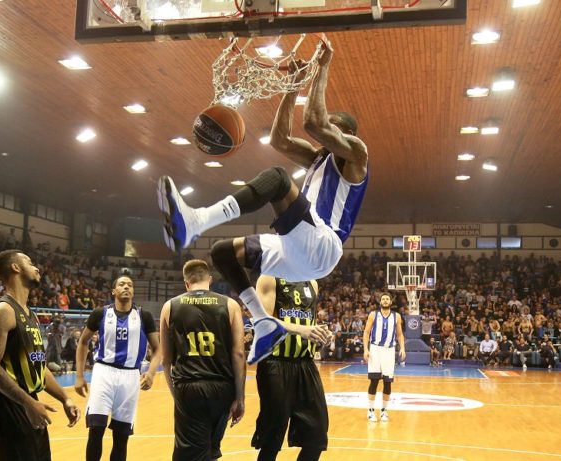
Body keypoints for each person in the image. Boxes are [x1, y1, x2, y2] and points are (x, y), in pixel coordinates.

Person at [157, 40, 368, 364]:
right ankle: (264, 322)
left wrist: (321, 67)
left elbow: (314, 122)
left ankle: (198, 220)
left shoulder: (357, 155)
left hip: (324, 244)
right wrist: (292, 87)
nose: (322, 137)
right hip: (298, 252)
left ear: (348, 134)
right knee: (223, 253)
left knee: (280, 179)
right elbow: (279, 139)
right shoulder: (318, 159)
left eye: (334, 129)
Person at [0, 250, 79, 461]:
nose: (36, 268)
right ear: (15, 267)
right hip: (8, 402)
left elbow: (38, 367)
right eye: (30, 262)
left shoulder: (30, 314)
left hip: (28, 399)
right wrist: (27, 403)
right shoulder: (3, 311)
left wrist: (65, 398)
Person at [159, 259, 246, 461]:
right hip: (222, 388)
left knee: (189, 455)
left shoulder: (169, 306)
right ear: (210, 279)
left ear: (186, 283)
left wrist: (176, 394)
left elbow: (166, 360)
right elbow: (239, 354)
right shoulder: (231, 305)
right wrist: (240, 397)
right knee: (211, 450)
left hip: (189, 387)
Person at [73, 275, 162, 461]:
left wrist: (151, 372)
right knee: (96, 429)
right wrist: (79, 376)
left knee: (121, 437)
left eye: (130, 285)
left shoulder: (144, 316)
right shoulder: (100, 313)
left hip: (131, 376)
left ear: (133, 291)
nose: (126, 287)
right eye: (122, 284)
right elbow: (83, 342)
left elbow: (158, 348)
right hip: (103, 372)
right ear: (113, 291)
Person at [252, 276, 329, 461]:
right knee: (273, 435)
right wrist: (300, 330)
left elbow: (307, 323)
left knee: (317, 434)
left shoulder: (312, 282)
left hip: (305, 364)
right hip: (275, 362)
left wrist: (320, 333)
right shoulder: (269, 278)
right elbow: (263, 321)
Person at [363, 293, 405, 422]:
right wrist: (366, 349)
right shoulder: (373, 315)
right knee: (374, 381)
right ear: (380, 302)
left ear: (391, 302)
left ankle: (384, 411)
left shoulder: (397, 316)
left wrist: (402, 348)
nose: (385, 301)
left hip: (389, 350)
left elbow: (399, 334)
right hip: (375, 349)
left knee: (387, 382)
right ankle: (370, 411)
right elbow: (366, 332)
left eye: (387, 299)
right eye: (383, 299)